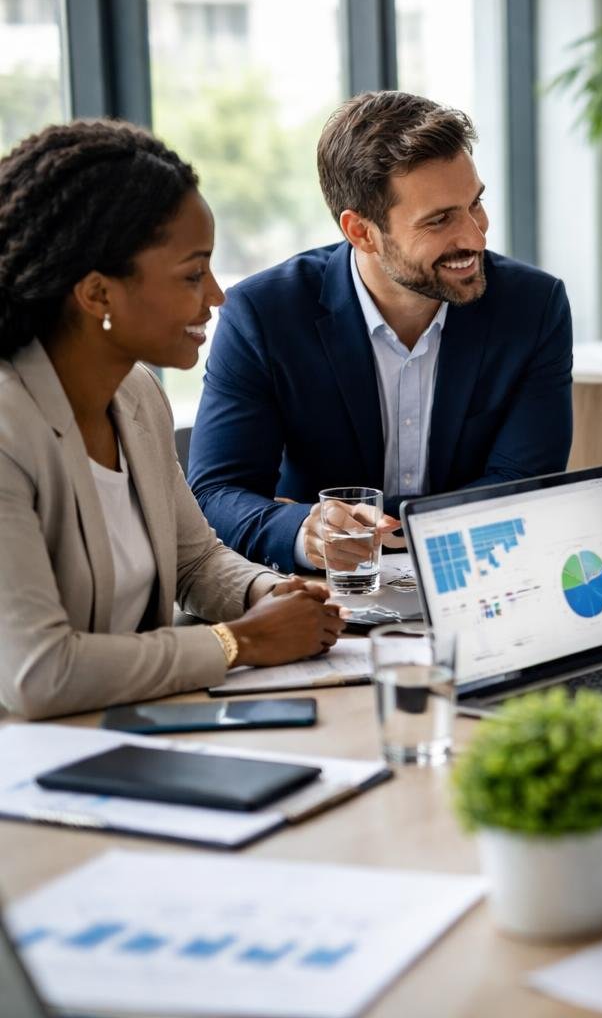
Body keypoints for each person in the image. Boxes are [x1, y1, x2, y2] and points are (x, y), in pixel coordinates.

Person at [0, 121, 344, 720]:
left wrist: (270, 594)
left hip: (136, 727)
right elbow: (38, 671)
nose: (217, 296)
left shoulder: (135, 396)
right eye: (192, 274)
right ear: (97, 294)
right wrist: (243, 641)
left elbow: (194, 561)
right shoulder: (8, 428)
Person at [187, 91, 574, 573]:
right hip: (324, 595)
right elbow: (216, 493)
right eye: (440, 220)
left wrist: (396, 531)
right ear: (361, 232)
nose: (476, 236)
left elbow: (523, 485)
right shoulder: (264, 315)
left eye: (474, 204)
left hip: (483, 579)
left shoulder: (533, 306)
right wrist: (303, 531)